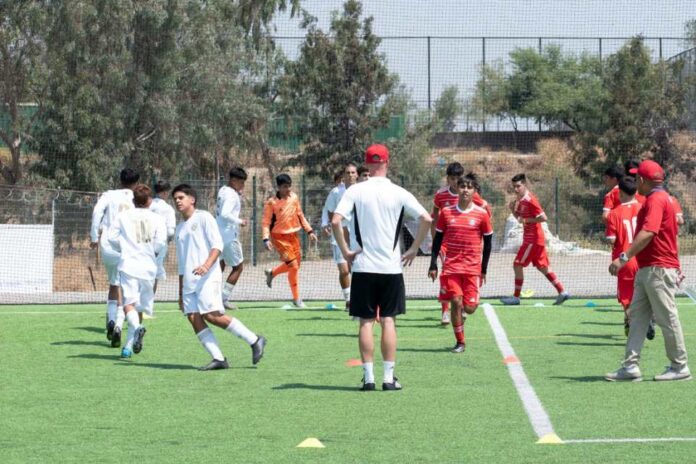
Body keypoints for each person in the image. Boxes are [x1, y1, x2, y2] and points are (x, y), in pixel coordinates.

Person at [332, 144, 432, 391]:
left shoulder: (355, 191)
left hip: (363, 267)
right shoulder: (399, 192)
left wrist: (346, 251)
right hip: (391, 268)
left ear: (366, 164)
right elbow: (427, 219)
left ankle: (368, 378)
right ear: (387, 163)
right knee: (388, 321)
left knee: (366, 322)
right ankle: (388, 378)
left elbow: (335, 220)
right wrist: (413, 249)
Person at [606, 160, 690, 382]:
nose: (634, 181)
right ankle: (630, 367)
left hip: (657, 269)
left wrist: (623, 258)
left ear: (643, 180)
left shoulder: (656, 200)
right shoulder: (662, 198)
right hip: (649, 269)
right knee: (637, 318)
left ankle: (679, 366)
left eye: (636, 178)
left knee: (667, 318)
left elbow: (649, 232)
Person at [172, 184, 266, 370]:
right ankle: (219, 359)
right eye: (175, 199)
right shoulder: (180, 229)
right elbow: (182, 264)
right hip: (189, 283)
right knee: (193, 317)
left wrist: (206, 266)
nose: (177, 201)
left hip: (208, 277)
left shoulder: (204, 217)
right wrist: (180, 292)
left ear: (192, 199)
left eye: (181, 197)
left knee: (212, 315)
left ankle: (255, 340)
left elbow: (217, 246)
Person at [429, 176, 493, 353]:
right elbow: (437, 240)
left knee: (470, 308)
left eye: (469, 187)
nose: (465, 189)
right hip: (451, 267)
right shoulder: (447, 212)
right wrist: (433, 264)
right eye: (462, 186)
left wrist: (484, 269)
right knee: (456, 301)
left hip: (472, 268)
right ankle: (460, 342)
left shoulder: (481, 214)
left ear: (474, 192)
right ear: (457, 189)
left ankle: (461, 316)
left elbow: (488, 244)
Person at [108, 184, 167, 358]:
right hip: (149, 267)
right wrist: (151, 251)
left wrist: (124, 247)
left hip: (129, 265)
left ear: (133, 200)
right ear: (149, 201)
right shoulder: (157, 218)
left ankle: (139, 329)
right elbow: (161, 243)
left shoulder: (123, 216)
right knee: (138, 308)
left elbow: (111, 238)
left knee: (128, 305)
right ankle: (127, 346)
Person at [500, 174, 570, 306]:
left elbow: (544, 217)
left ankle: (516, 297)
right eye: (514, 186)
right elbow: (520, 220)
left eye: (518, 186)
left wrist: (527, 220)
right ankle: (562, 291)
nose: (516, 189)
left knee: (517, 264)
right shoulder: (520, 200)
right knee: (543, 268)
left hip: (532, 240)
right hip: (535, 240)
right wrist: (513, 211)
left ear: (524, 185)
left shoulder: (530, 199)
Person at [90, 168, 140, 347]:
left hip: (108, 245)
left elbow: (97, 212)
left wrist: (94, 237)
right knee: (126, 288)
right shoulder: (137, 198)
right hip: (128, 247)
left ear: (120, 180)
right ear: (136, 183)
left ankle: (111, 320)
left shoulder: (109, 195)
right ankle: (119, 324)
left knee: (114, 283)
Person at [604, 176, 651, 338]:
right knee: (645, 293)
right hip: (644, 258)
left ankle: (636, 323)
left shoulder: (614, 214)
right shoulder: (643, 207)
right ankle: (647, 319)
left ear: (620, 193)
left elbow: (611, 239)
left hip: (625, 261)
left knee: (626, 299)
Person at [262, 174, 318, 308]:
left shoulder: (294, 198)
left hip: (294, 236)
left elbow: (300, 215)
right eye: (284, 187)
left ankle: (272, 273)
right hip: (279, 237)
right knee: (293, 266)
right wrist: (265, 238)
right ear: (279, 187)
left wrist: (309, 231)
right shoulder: (272, 202)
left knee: (295, 265)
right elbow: (265, 222)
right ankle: (297, 299)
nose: (288, 189)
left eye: (289, 186)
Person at [321, 163, 359, 310]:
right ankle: (348, 300)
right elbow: (329, 210)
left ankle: (359, 298)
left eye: (353, 172)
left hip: (358, 238)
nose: (350, 175)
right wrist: (328, 225)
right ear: (343, 176)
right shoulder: (336, 192)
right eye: (347, 172)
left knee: (357, 270)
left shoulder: (363, 191)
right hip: (340, 237)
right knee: (344, 270)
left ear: (357, 175)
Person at [216, 167, 248, 310]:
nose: (243, 185)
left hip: (218, 235)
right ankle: (223, 298)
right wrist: (240, 221)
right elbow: (224, 213)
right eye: (241, 182)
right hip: (228, 236)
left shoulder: (223, 190)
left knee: (219, 267)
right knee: (238, 267)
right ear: (233, 180)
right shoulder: (231, 195)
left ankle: (211, 296)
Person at [149, 180, 176, 293]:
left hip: (143, 242)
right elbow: (170, 231)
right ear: (165, 192)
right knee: (154, 273)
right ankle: (148, 304)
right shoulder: (168, 208)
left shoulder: (148, 204)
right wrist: (169, 240)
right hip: (160, 244)